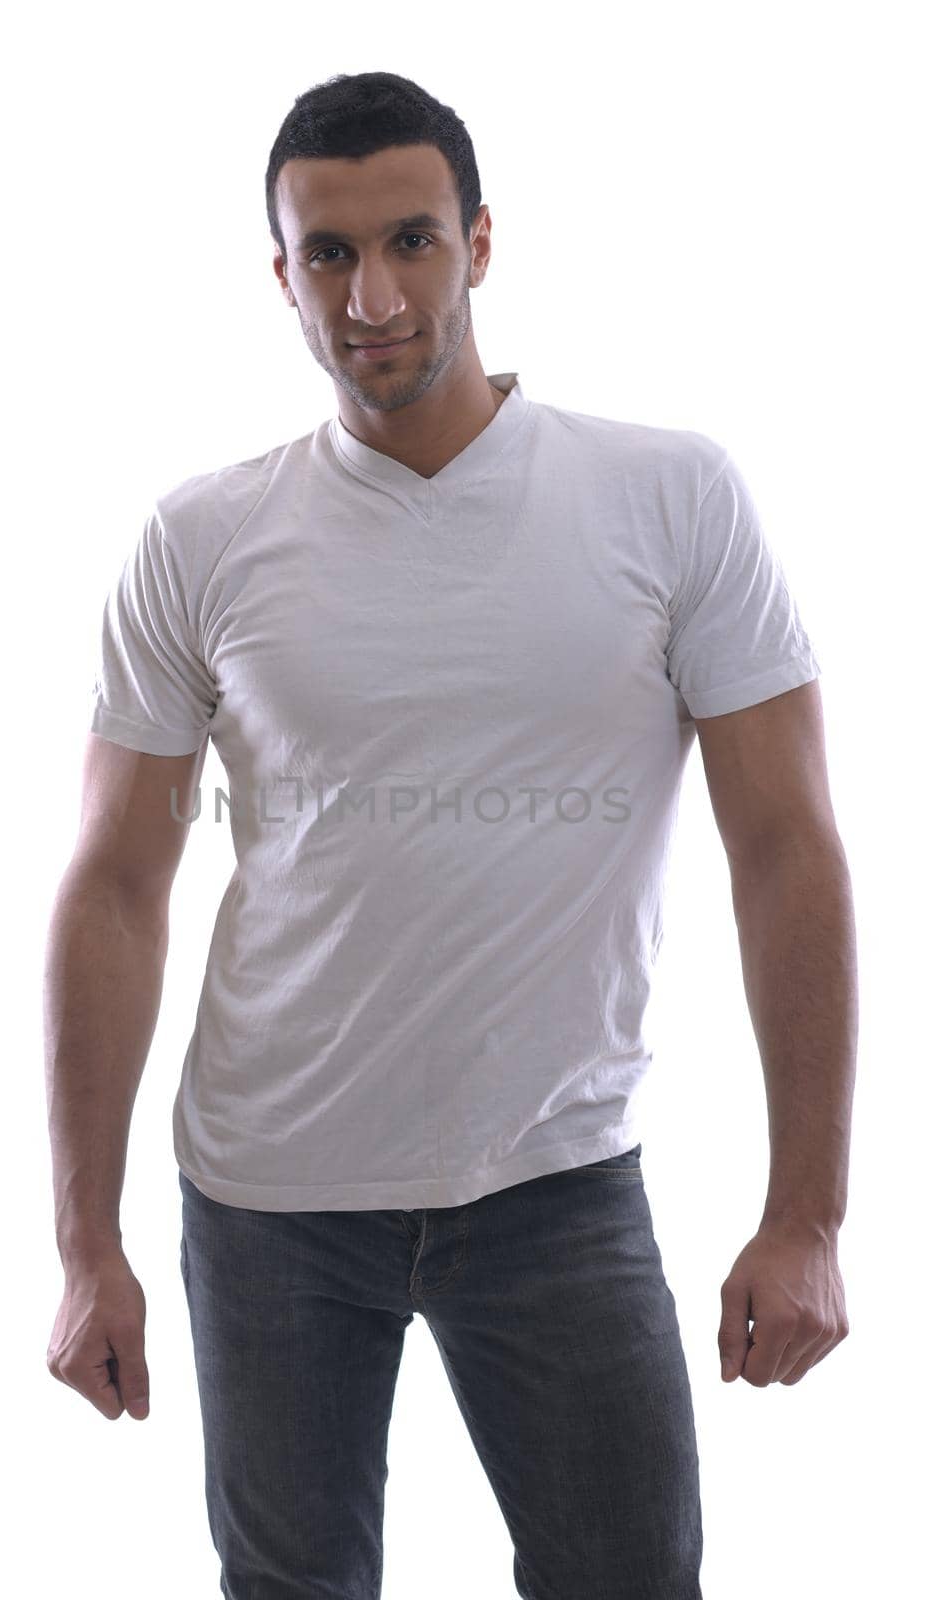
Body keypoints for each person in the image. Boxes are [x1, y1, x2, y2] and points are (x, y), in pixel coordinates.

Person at [44, 70, 856, 1600]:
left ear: (480, 243)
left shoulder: (667, 498)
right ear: (280, 274)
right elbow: (113, 886)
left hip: (556, 1182)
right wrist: (86, 1242)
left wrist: (807, 1214)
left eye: (412, 240)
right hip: (269, 1196)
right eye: (330, 255)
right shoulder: (203, 538)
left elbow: (789, 849)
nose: (375, 293)